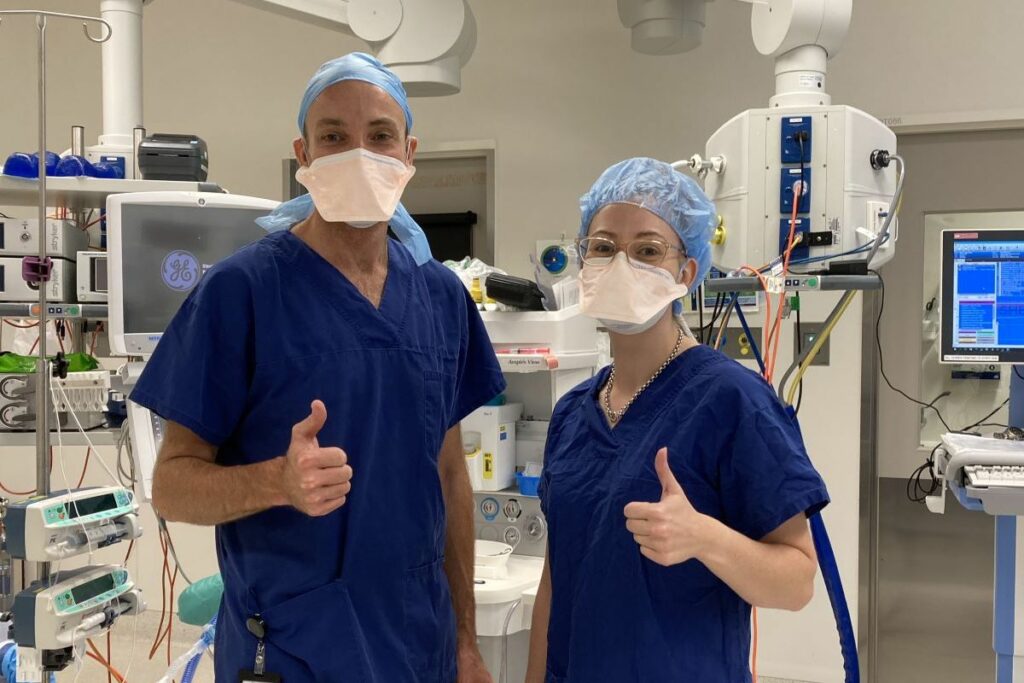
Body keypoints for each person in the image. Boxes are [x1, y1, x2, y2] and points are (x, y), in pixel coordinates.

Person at [130, 53, 505, 683]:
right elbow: (171, 486)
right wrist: (278, 481)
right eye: (334, 136)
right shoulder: (240, 292)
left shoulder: (440, 297)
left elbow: (449, 475)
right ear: (304, 155)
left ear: (409, 153)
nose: (359, 152)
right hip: (294, 650)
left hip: (419, 644)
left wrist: (465, 641)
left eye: (380, 135)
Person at [524, 157, 830, 682]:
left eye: (647, 250)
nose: (621, 264)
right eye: (602, 247)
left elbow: (797, 581)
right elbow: (556, 577)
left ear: (686, 272)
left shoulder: (732, 401)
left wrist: (704, 538)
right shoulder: (573, 413)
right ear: (583, 262)